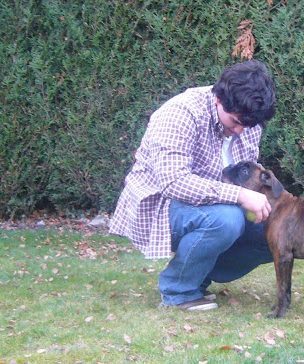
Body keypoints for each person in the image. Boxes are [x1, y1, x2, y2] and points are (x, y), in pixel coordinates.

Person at [109, 60, 276, 311]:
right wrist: (239, 194)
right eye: (235, 122)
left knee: (277, 231)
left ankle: (198, 278)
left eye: (248, 125)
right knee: (226, 220)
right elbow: (173, 182)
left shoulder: (247, 121)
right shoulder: (180, 113)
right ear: (219, 99)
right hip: (159, 206)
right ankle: (178, 291)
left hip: (214, 206)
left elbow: (247, 176)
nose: (241, 131)